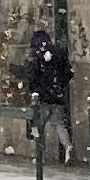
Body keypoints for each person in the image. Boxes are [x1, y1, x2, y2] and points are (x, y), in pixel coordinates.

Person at [19, 26, 72, 154]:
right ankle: (67, 146)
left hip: (41, 96)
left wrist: (33, 88)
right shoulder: (58, 53)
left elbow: (32, 75)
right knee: (59, 124)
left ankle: (39, 153)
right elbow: (68, 72)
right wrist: (59, 85)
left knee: (38, 125)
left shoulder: (37, 55)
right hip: (57, 95)